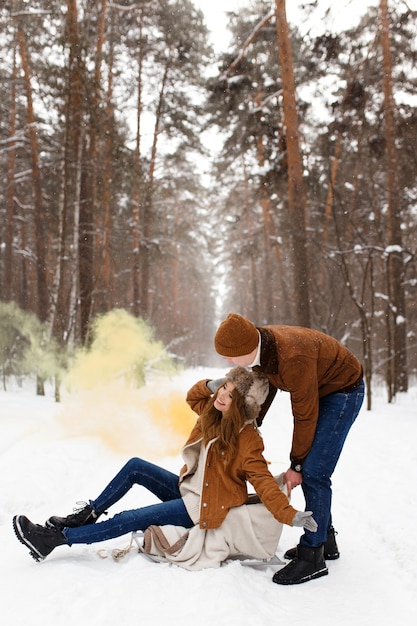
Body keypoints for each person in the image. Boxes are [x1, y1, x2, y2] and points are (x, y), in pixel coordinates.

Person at [13, 366, 317, 565]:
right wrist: (213, 384)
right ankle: (86, 515)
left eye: (230, 393)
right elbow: (193, 396)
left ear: (243, 405)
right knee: (135, 466)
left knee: (130, 517)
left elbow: (263, 482)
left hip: (202, 507)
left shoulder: (248, 439)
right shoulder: (212, 412)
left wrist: (290, 515)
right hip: (188, 490)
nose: (222, 395)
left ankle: (53, 540)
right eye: (223, 387)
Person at [214, 313, 364, 585]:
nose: (227, 362)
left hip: (343, 391)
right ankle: (325, 539)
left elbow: (304, 414)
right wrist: (254, 421)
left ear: (246, 350)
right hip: (320, 387)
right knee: (311, 467)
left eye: (230, 356)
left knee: (314, 471)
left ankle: (313, 556)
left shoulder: (292, 357)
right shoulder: (262, 346)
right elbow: (268, 381)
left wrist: (296, 465)